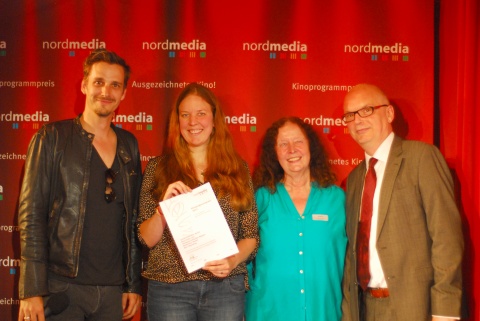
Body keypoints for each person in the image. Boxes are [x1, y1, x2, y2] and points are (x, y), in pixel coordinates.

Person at [17, 48, 143, 321]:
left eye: (115, 85)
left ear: (123, 93)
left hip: (112, 293)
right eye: (98, 82)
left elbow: (133, 219)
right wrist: (31, 289)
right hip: (62, 287)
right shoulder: (52, 138)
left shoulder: (129, 145)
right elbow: (31, 216)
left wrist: (132, 284)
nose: (105, 91)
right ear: (84, 85)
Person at [341, 84, 463, 321]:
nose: (357, 121)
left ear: (389, 113)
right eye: (350, 115)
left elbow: (446, 237)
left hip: (415, 307)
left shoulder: (421, 158)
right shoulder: (355, 178)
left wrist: (445, 311)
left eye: (366, 110)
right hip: (364, 308)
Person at [137, 82, 259, 321]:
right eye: (185, 115)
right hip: (170, 288)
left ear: (215, 120)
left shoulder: (237, 169)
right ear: (178, 121)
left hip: (224, 288)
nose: (193, 122)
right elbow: (146, 239)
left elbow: (251, 235)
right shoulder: (158, 169)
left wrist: (232, 260)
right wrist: (163, 211)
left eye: (201, 113)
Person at [245, 117, 347, 321]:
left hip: (324, 312)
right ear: (274, 153)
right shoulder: (261, 198)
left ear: (311, 146)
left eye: (298, 142)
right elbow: (245, 258)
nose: (291, 150)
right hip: (268, 311)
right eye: (283, 144)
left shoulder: (337, 198)